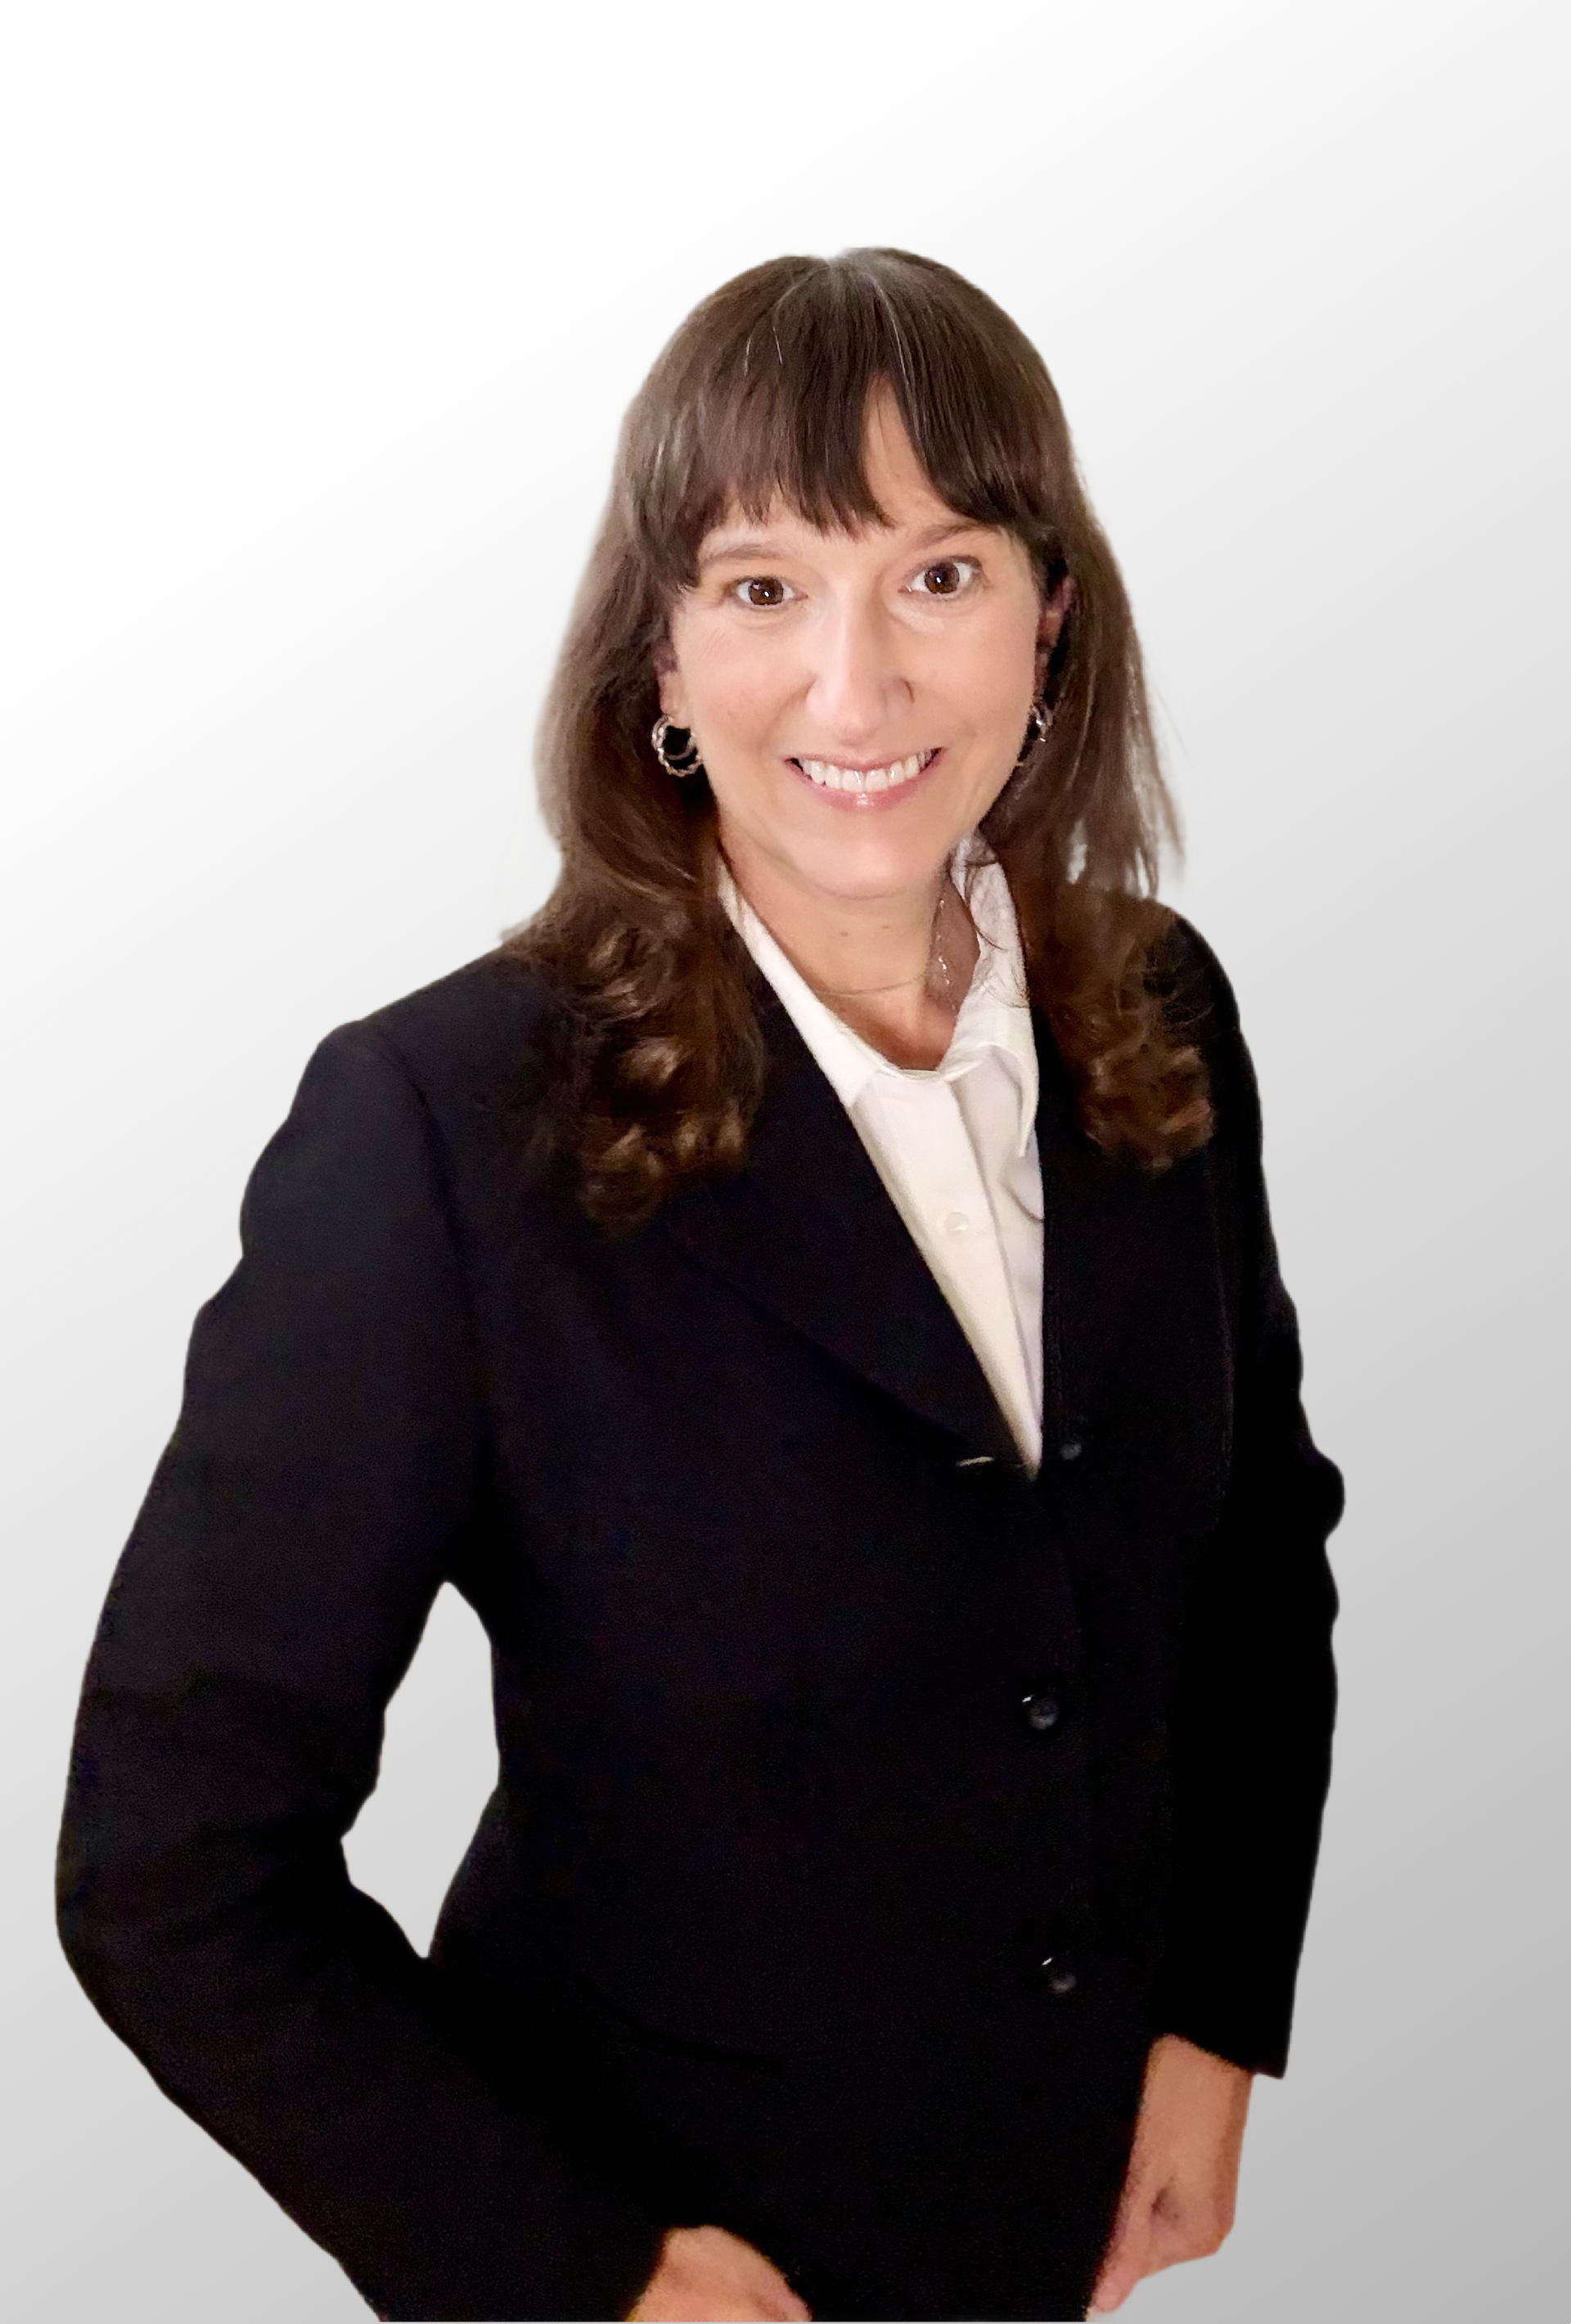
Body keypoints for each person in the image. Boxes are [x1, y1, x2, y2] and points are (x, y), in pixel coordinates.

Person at [57, 248, 1344, 2323]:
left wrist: (1215, 2014)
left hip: (1057, 2233)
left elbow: (1255, 1553)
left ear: (1052, 620)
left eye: (939, 574)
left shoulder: (1158, 1008)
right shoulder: (438, 1131)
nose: (857, 689)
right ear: (655, 656)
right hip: (673, 2250)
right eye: (763, 587)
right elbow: (171, 1872)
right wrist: (581, 2274)